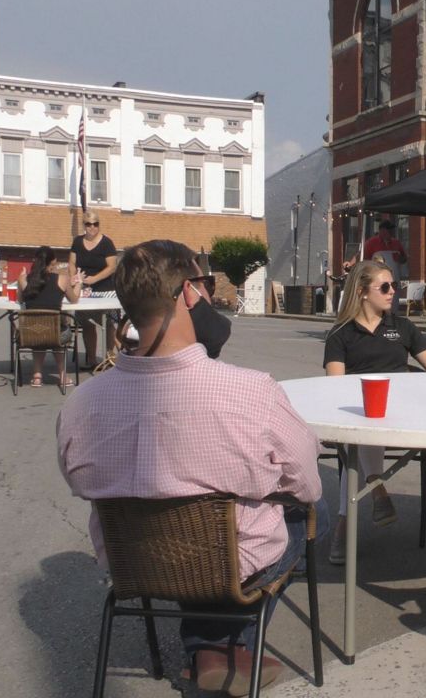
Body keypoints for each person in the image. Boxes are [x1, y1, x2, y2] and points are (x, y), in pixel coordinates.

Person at [58, 239, 324, 694]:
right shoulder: (252, 390)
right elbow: (306, 481)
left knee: (199, 527)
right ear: (186, 293)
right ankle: (226, 649)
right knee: (304, 507)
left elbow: (76, 479)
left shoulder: (80, 404)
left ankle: (206, 649)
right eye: (201, 284)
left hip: (134, 562)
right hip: (232, 563)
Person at [323, 260, 426, 564]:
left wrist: (424, 392)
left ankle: (345, 525)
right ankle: (377, 488)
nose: (394, 293)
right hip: (358, 412)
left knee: (359, 443)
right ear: (363, 292)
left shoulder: (402, 327)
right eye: (386, 287)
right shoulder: (341, 333)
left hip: (400, 410)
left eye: (395, 286)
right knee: (363, 434)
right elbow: (334, 382)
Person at [18, 246, 84, 388]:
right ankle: (62, 375)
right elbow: (74, 299)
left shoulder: (24, 280)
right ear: (53, 262)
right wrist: (78, 283)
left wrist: (20, 280)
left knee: (38, 329)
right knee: (56, 330)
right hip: (56, 335)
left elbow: (20, 300)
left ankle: (37, 376)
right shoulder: (62, 279)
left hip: (30, 334)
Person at [69, 214, 118, 368]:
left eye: (95, 224)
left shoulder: (107, 243)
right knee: (87, 324)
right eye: (89, 224)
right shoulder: (77, 241)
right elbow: (71, 262)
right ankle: (91, 359)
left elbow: (112, 266)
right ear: (84, 225)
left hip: (105, 289)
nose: (92, 227)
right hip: (83, 290)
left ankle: (110, 357)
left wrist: (95, 279)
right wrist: (74, 278)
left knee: (109, 323)